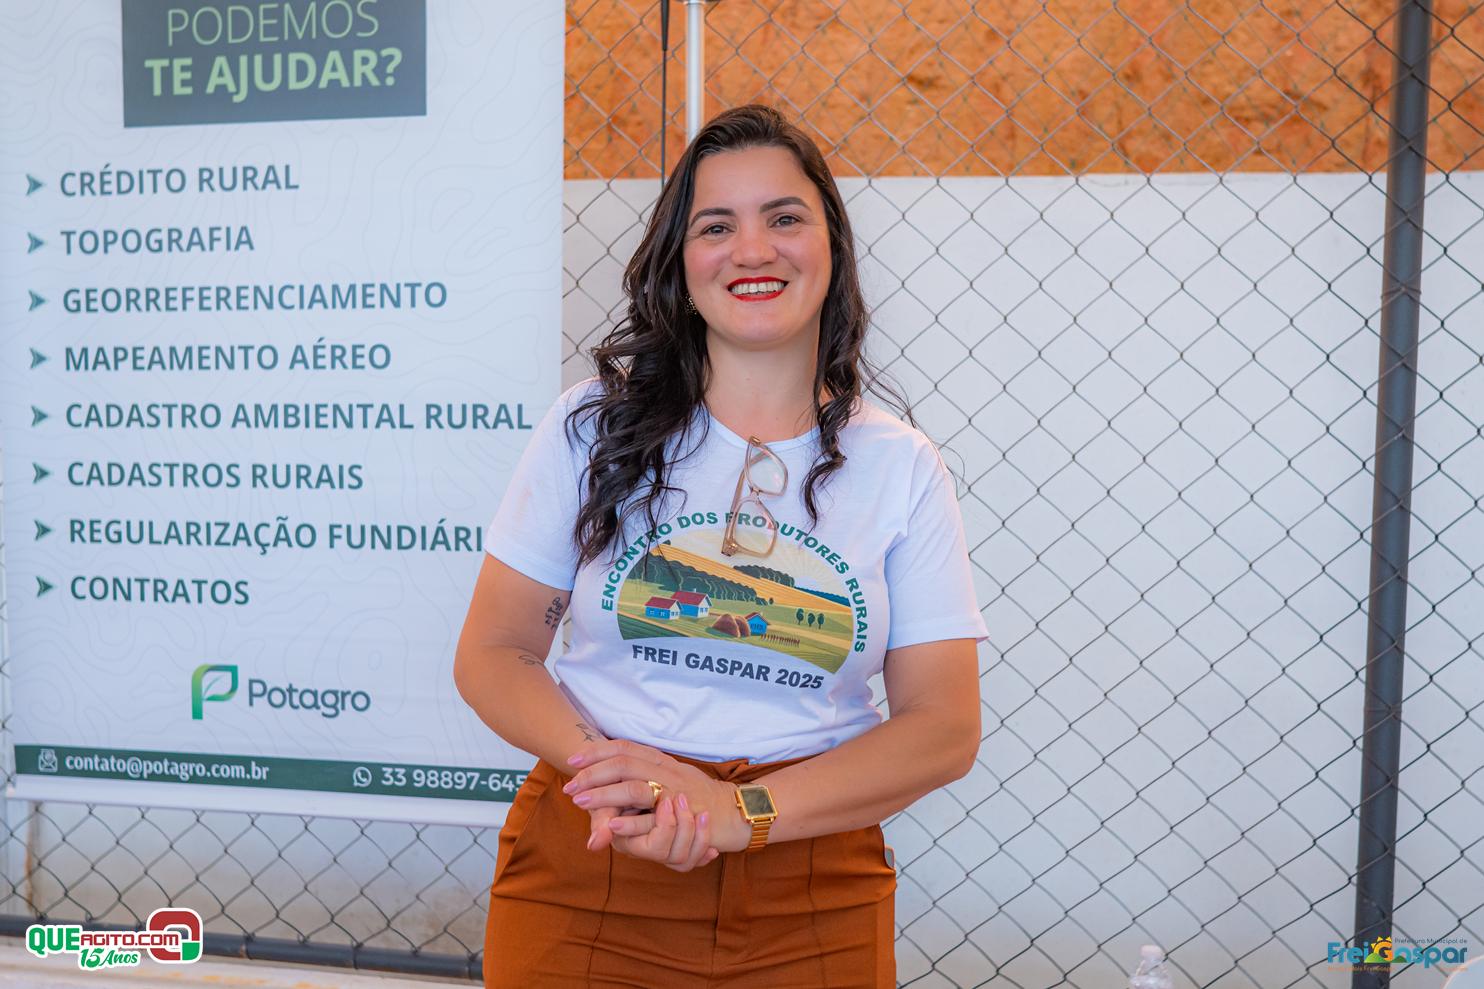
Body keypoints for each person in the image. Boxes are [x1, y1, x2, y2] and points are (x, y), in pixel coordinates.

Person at [455, 103, 987, 988]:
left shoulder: (899, 465)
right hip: (594, 860)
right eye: (716, 226)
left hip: (811, 887)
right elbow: (493, 651)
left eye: (784, 218)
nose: (752, 250)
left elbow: (944, 725)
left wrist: (743, 811)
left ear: (831, 245)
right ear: (681, 261)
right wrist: (623, 779)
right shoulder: (591, 429)